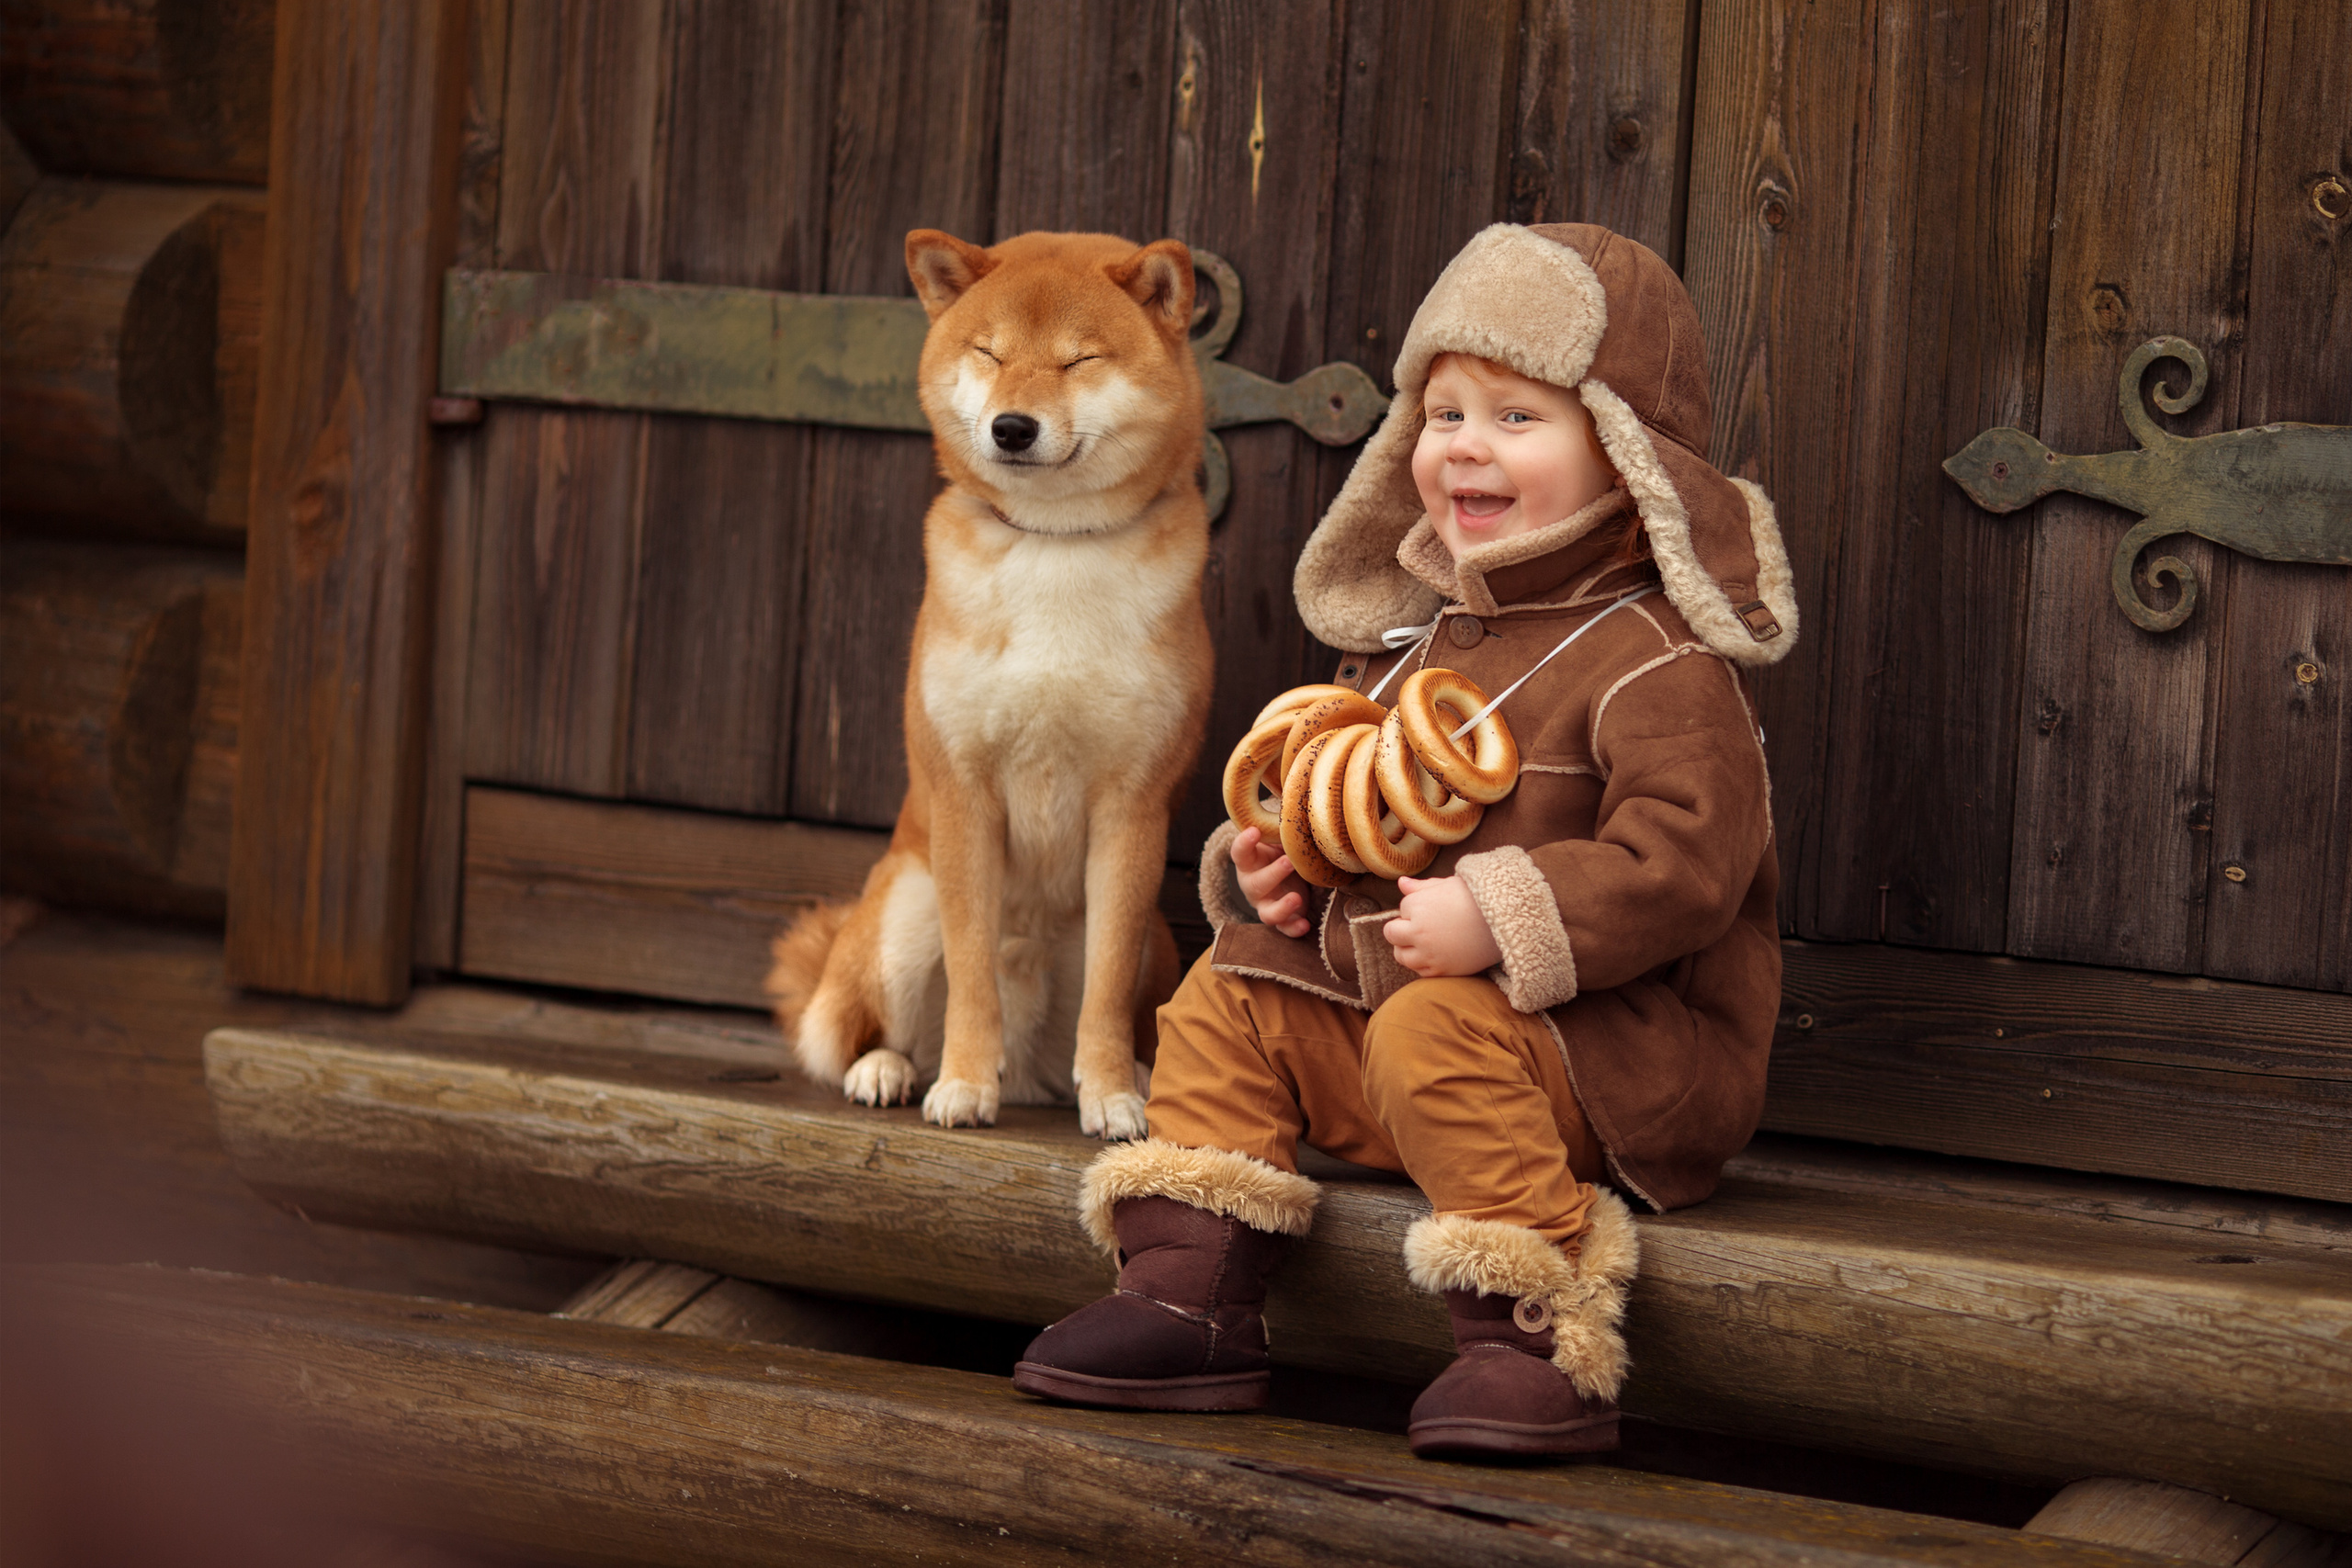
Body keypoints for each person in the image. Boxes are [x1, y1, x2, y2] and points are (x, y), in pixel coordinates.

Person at [1011, 222, 1797, 1459]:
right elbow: (1344, 804)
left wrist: (1503, 912)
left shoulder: (1658, 660)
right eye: (1442, 415)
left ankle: (1534, 1331)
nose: (1466, 448)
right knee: (1231, 990)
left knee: (1436, 1022)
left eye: (1517, 419)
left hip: (1612, 1067)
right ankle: (1183, 1291)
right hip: (1406, 1054)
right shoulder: (1413, 648)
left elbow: (1686, 870)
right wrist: (1278, 871)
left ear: (1626, 453)